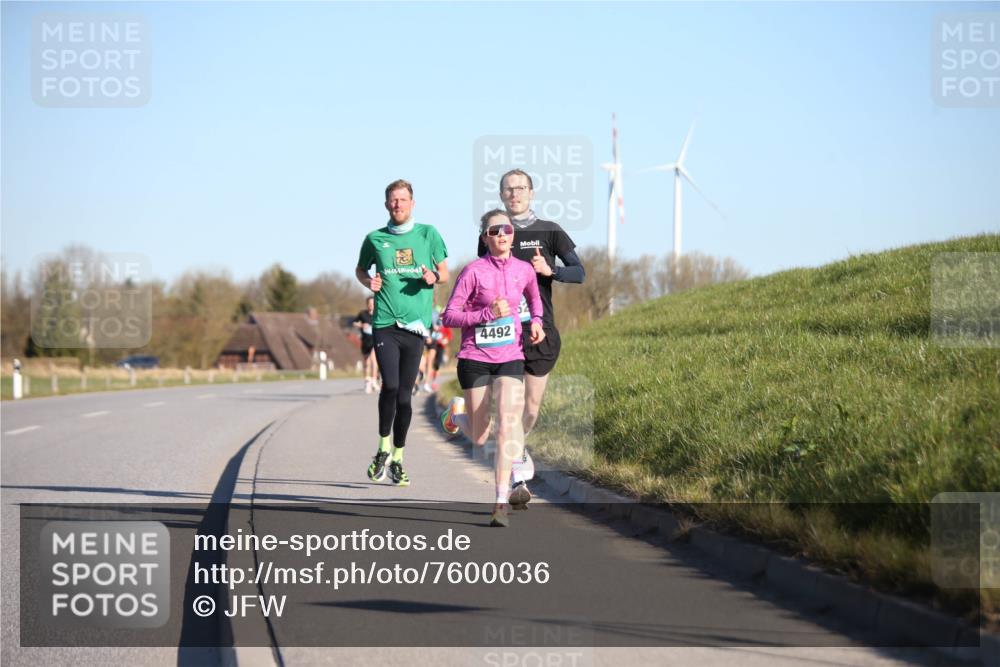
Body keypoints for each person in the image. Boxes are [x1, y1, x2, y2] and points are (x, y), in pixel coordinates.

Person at [476, 169, 585, 508]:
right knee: (510, 407)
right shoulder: (493, 232)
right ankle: (514, 474)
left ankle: (518, 446)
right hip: (503, 333)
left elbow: (579, 272)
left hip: (541, 329)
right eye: (509, 189)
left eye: (521, 188)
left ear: (532, 193)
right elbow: (479, 277)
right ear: (501, 195)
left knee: (532, 407)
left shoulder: (550, 231)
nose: (515, 194)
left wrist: (550, 271)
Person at [440, 209, 544, 526]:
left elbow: (534, 299)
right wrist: (485, 315)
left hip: (510, 355)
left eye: (507, 229)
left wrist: (537, 321)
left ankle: (500, 502)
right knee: (481, 435)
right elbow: (450, 316)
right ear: (485, 237)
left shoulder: (524, 270)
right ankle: (456, 415)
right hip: (474, 357)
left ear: (513, 235)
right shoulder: (473, 272)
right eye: (495, 230)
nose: (502, 235)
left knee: (506, 425)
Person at [356, 179, 449, 486]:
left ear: (413, 203)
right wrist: (368, 282)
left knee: (407, 397)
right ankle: (382, 448)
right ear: (386, 205)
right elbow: (360, 269)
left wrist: (433, 276)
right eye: (393, 200)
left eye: (403, 199)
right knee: (391, 386)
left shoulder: (428, 234)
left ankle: (398, 457)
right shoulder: (375, 238)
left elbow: (445, 274)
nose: (398, 204)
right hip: (384, 323)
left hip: (416, 326)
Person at [352, 296, 379, 393]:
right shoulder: (362, 314)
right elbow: (354, 323)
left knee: (373, 359)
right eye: (369, 303)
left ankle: (374, 380)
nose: (371, 305)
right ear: (367, 304)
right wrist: (362, 325)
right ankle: (367, 381)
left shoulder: (378, 313)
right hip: (365, 340)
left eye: (372, 303)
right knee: (366, 362)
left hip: (375, 340)